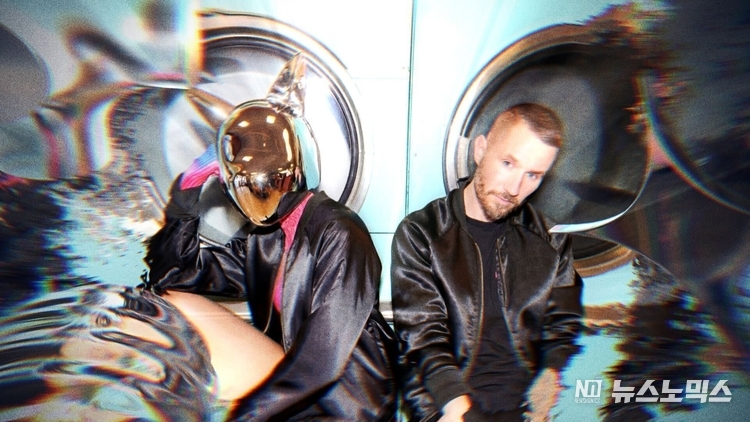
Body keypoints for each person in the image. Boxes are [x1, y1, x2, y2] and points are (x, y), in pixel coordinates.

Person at [144, 55, 396, 421]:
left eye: (263, 171)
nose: (254, 185)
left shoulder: (341, 232)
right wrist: (187, 190)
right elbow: (172, 276)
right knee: (169, 303)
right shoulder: (265, 238)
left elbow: (321, 363)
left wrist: (247, 416)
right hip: (293, 383)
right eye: (242, 178)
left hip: (348, 403)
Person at [391, 103, 584, 421]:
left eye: (532, 175)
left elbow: (564, 324)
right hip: (447, 403)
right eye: (508, 163)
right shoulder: (423, 232)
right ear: (480, 150)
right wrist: (455, 406)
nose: (514, 189)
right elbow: (423, 336)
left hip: (524, 408)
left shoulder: (550, 239)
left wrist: (551, 375)